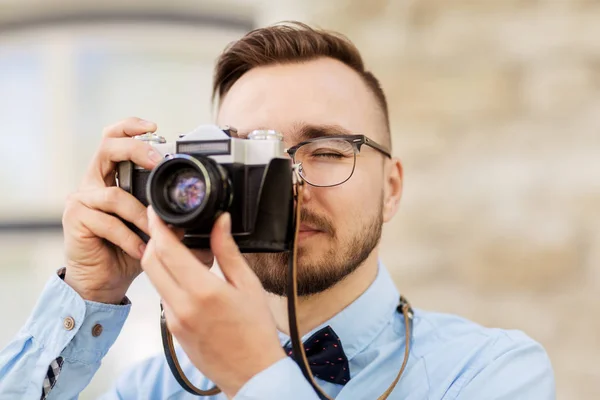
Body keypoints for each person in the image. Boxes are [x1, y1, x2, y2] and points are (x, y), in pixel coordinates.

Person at [0, 22, 555, 400]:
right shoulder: (154, 387)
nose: (287, 186)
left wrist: (256, 375)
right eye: (252, 159)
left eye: (328, 152)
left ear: (391, 188)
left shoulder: (490, 373)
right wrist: (85, 296)